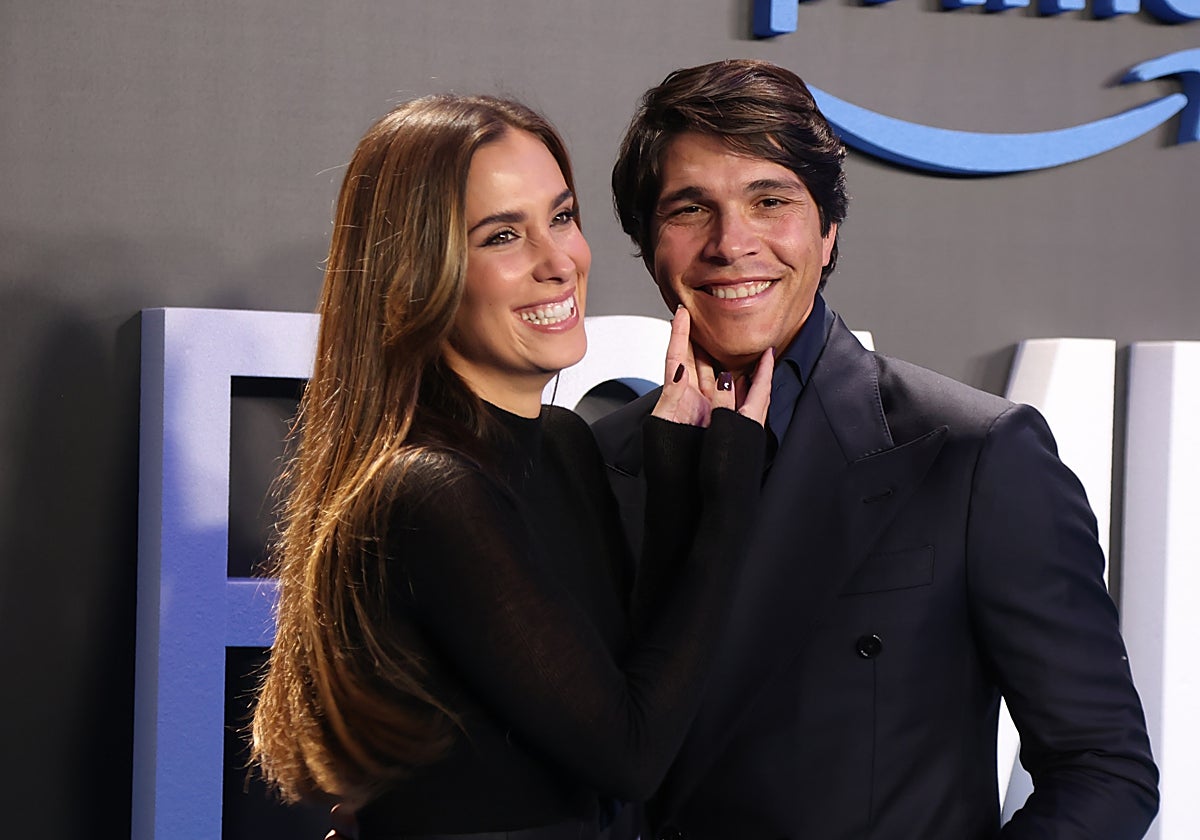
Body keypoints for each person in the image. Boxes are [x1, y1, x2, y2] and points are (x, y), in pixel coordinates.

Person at [590, 59, 1160, 839]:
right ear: (648, 244)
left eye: (770, 201)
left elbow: (1104, 769)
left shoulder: (974, 453)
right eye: (691, 209)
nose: (731, 243)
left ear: (827, 232)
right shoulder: (595, 461)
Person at [250, 93, 772, 840]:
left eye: (561, 217)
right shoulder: (431, 491)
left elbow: (646, 688)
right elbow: (628, 757)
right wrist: (728, 500)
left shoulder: (560, 442)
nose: (558, 262)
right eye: (502, 236)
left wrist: (679, 462)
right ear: (417, 274)